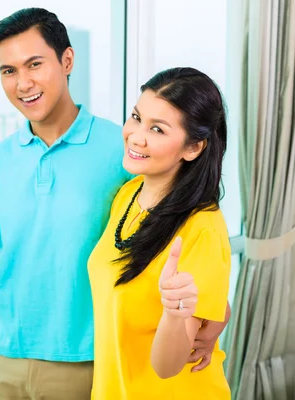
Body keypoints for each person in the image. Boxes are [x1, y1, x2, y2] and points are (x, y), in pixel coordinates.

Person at [0, 8, 230, 399]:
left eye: (34, 64)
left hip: (88, 360)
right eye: (8, 71)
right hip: (4, 356)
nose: (23, 83)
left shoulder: (122, 151)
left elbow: (183, 228)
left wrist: (213, 313)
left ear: (67, 60)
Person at [87, 67, 232, 399]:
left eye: (157, 129)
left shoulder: (202, 229)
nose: (137, 136)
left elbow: (168, 367)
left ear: (193, 148)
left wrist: (173, 314)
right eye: (136, 118)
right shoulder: (129, 195)